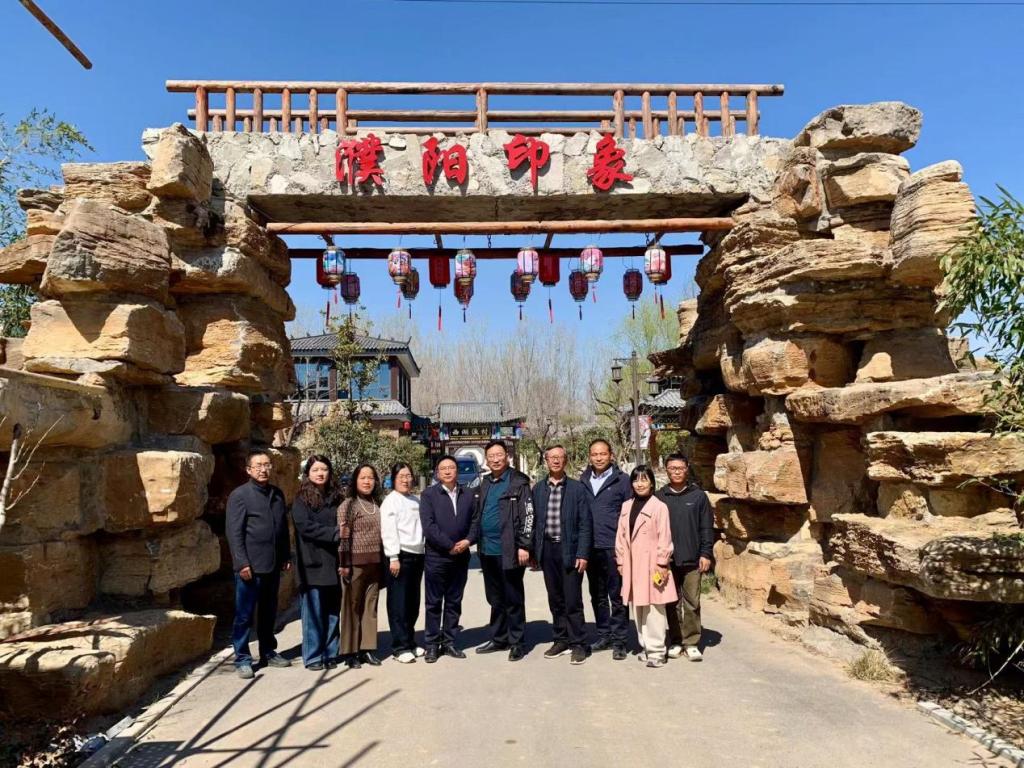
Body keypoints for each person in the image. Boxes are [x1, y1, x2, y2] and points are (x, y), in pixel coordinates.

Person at [226, 449, 292, 679]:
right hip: (249, 567)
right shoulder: (240, 495)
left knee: (268, 612)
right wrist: (241, 563)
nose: (263, 469)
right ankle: (242, 658)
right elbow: (234, 532)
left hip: (272, 565)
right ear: (249, 470)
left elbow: (282, 528)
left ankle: (268, 651)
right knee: (244, 615)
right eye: (258, 466)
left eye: (267, 465)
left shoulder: (277, 494)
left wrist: (285, 556)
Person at [474, 440, 534, 662]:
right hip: (487, 550)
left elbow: (529, 515)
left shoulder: (518, 481)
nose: (496, 459)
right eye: (491, 456)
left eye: (499, 455)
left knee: (513, 597)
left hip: (510, 550)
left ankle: (517, 642)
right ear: (486, 460)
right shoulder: (485, 482)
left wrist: (524, 545)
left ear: (507, 456)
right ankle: (499, 638)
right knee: (495, 597)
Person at [532, 445, 592, 665]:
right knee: (555, 598)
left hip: (570, 549)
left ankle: (579, 643)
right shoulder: (538, 489)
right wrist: (533, 551)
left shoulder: (577, 488)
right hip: (548, 550)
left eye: (560, 457)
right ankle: (561, 639)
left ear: (565, 460)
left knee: (572, 599)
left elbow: (585, 523)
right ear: (546, 461)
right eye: (552, 457)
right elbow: (534, 522)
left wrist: (583, 553)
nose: (556, 461)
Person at [615, 465, 677, 668]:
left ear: (652, 483)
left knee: (654, 608)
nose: (639, 484)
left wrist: (662, 563)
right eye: (636, 480)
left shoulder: (659, 507)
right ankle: (646, 647)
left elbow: (665, 536)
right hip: (632, 565)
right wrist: (621, 560)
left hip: (652, 565)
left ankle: (657, 651)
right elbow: (621, 536)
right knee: (638, 606)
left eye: (644, 479)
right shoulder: (627, 506)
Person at [419, 455, 478, 663]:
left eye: (451, 467)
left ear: (457, 471)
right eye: (443, 468)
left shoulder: (468, 494)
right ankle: (432, 645)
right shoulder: (428, 495)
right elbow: (429, 526)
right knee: (433, 602)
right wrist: (449, 546)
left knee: (454, 601)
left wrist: (468, 541)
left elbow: (475, 521)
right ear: (437, 472)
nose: (447, 471)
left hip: (461, 556)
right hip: (437, 557)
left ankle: (449, 642)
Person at [580, 439, 634, 660]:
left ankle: (620, 640)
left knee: (618, 595)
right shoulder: (583, 480)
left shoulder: (622, 481)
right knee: (597, 595)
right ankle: (604, 635)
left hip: (614, 547)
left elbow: (630, 514)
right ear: (589, 456)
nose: (599, 458)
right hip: (590, 547)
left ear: (611, 455)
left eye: (603, 454)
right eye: (594, 454)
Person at [658, 454, 714, 662]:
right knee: (671, 603)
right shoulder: (660, 497)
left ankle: (691, 642)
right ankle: (675, 640)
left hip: (692, 559)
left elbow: (706, 527)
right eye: (672, 468)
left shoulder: (698, 496)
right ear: (666, 470)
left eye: (680, 468)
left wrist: (706, 553)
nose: (676, 471)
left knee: (692, 602)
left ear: (687, 468)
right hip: (667, 561)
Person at [291, 454, 343, 671]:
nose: (320, 473)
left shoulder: (336, 497)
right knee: (313, 612)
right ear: (308, 474)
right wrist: (334, 534)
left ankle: (331, 652)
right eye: (315, 470)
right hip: (311, 563)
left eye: (324, 469)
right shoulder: (301, 499)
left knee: (332, 612)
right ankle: (313, 656)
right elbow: (304, 526)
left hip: (334, 562)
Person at [338, 464, 385, 669]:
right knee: (352, 607)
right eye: (362, 477)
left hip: (375, 563)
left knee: (370, 607)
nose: (367, 481)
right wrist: (344, 563)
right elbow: (343, 537)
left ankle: (367, 649)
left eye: (371, 478)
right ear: (355, 480)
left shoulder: (377, 504)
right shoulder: (348, 505)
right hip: (354, 564)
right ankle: (351, 652)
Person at [380, 462, 426, 663]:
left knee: (412, 602)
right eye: (401, 477)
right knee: (398, 603)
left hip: (418, 555)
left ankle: (410, 641)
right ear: (393, 479)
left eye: (408, 476)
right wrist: (393, 557)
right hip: (400, 557)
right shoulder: (390, 501)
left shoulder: (415, 500)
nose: (406, 480)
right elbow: (388, 531)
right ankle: (399, 647)